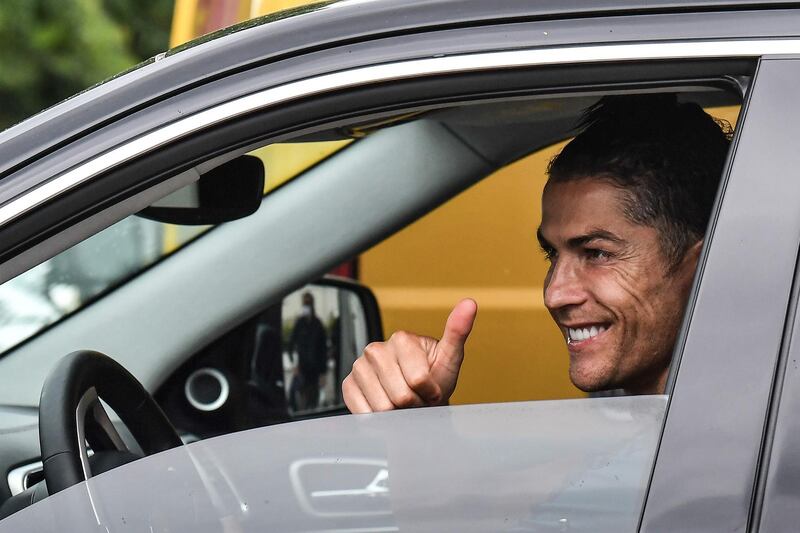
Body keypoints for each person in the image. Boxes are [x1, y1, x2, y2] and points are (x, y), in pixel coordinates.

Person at [342, 93, 732, 413]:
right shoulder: (635, 416)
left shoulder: (741, 448)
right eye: (552, 255)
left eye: (596, 253)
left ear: (702, 267)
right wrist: (419, 419)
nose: (554, 294)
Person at [288, 291, 328, 410]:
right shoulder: (299, 323)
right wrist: (293, 364)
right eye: (305, 303)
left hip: (315, 370)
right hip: (302, 369)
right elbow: (291, 344)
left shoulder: (318, 324)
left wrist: (323, 372)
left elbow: (323, 349)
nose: (307, 305)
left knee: (313, 402)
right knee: (299, 400)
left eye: (309, 303)